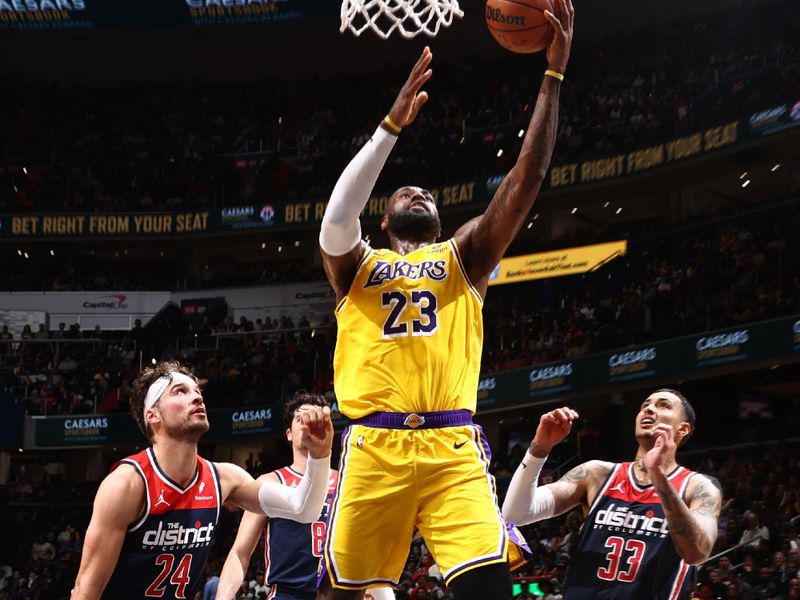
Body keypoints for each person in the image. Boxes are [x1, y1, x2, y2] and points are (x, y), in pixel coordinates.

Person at [315, 1, 574, 597]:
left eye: (427, 192)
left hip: (450, 446)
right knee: (342, 593)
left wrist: (552, 76)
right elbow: (335, 217)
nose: (419, 192)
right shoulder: (357, 266)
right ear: (384, 221)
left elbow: (525, 181)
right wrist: (390, 129)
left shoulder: (465, 255)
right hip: (373, 446)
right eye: (406, 190)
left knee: (487, 591)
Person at [70, 361, 333, 600]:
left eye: (197, 391)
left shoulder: (224, 478)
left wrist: (320, 456)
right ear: (153, 415)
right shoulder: (127, 484)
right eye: (179, 392)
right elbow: (86, 588)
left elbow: (304, 508)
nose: (196, 396)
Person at [502, 389, 722, 599]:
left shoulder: (699, 486)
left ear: (683, 429)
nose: (649, 409)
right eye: (645, 405)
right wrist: (539, 448)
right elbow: (516, 514)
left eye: (663, 406)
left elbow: (697, 553)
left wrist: (658, 476)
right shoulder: (596, 474)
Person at [218, 392, 393, 600]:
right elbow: (240, 552)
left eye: (315, 416)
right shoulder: (270, 482)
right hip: (288, 594)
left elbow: (367, 552)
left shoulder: (348, 482)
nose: (309, 422)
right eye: (301, 417)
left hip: (337, 593)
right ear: (289, 434)